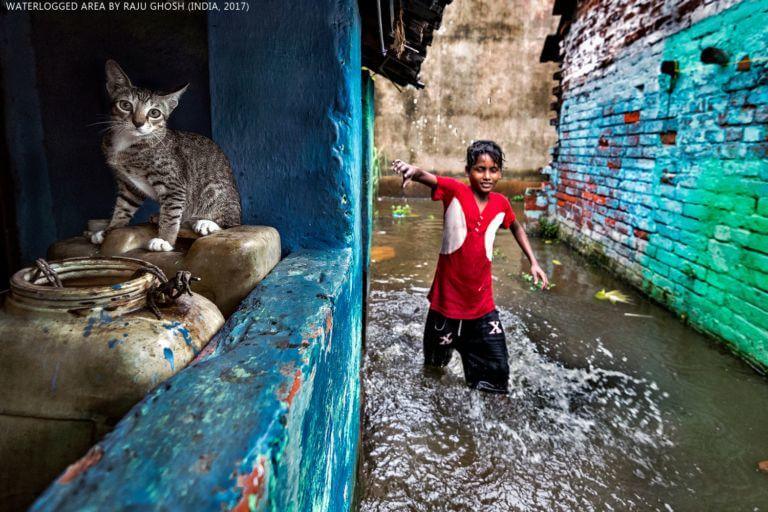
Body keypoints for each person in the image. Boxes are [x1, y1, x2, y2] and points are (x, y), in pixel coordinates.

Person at [391, 140, 548, 394]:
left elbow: (516, 226)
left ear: (499, 172)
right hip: (446, 306)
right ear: (468, 171)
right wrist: (413, 170)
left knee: (496, 377)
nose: (487, 176)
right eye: (480, 169)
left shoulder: (501, 203)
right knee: (434, 370)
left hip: (482, 307)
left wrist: (533, 261)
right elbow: (428, 177)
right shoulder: (456, 192)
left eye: (493, 170)